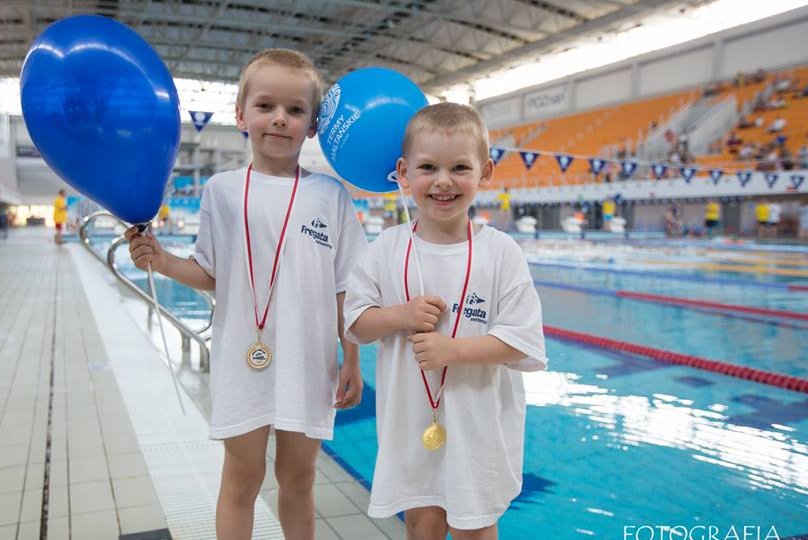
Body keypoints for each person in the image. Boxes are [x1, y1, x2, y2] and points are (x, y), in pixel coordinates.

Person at [125, 49, 366, 539]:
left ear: (312, 125)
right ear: (241, 115)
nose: (280, 119)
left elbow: (347, 287)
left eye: (296, 110)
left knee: (298, 480)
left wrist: (353, 358)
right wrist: (162, 260)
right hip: (241, 358)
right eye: (265, 106)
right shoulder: (222, 190)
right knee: (241, 479)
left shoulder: (330, 195)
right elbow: (214, 272)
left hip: (308, 361)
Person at [344, 103, 547, 540]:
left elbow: (524, 342)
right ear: (403, 172)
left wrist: (452, 351)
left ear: (485, 171)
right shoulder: (387, 248)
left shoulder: (501, 252)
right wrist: (400, 316)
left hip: (478, 427)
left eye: (459, 167)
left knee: (475, 526)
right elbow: (356, 325)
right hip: (409, 423)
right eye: (428, 167)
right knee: (422, 524)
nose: (442, 181)